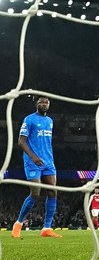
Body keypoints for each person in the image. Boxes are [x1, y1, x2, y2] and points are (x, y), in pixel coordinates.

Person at [12, 97, 60, 238]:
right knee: (35, 193)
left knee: (52, 192)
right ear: (36, 105)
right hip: (32, 161)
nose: (44, 104)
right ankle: (18, 224)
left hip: (48, 161)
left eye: (46, 103)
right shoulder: (29, 119)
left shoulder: (50, 121)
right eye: (41, 103)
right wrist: (33, 157)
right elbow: (21, 141)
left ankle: (46, 228)